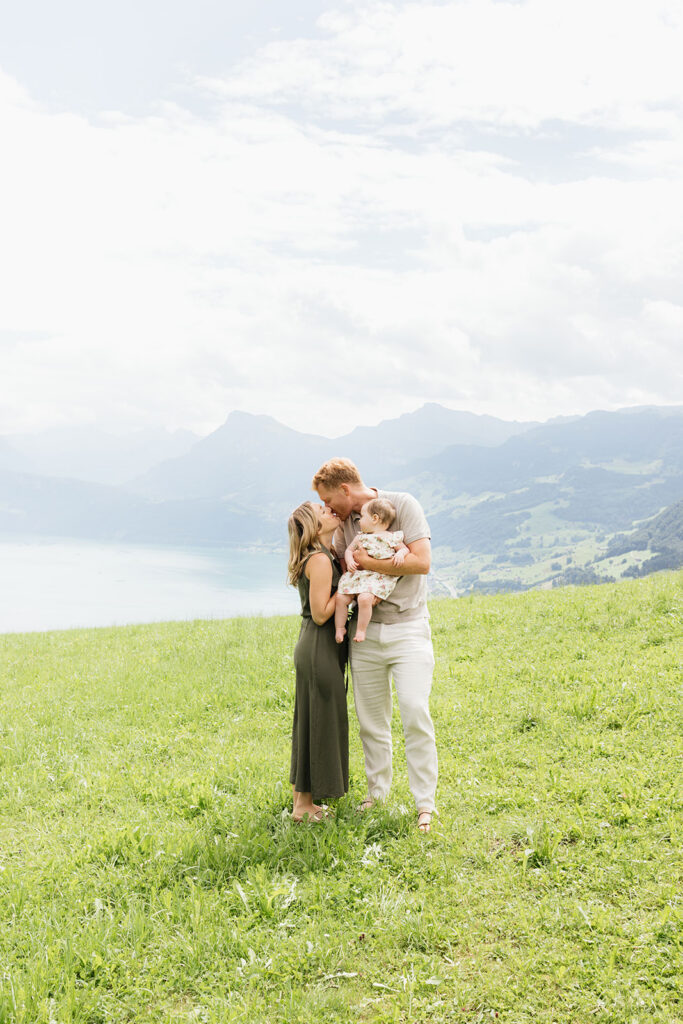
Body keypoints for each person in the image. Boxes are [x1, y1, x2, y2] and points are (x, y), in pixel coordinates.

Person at [312, 458, 438, 834]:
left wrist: (366, 561)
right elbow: (337, 567)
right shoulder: (343, 525)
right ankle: (377, 793)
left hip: (408, 628)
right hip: (363, 634)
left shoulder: (402, 505)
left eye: (329, 499)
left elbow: (422, 563)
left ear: (346, 489)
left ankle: (424, 804)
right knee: (371, 722)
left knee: (415, 711)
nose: (328, 508)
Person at [287, 501, 349, 823]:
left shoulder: (319, 556)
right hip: (318, 645)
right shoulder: (321, 561)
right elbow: (323, 613)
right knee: (318, 720)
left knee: (310, 719)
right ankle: (304, 807)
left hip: (312, 644)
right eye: (322, 511)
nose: (330, 510)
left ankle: (302, 803)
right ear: (314, 524)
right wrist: (347, 591)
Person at [334, 497, 410, 644]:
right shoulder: (361, 537)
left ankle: (361, 630)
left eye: (362, 517)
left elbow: (404, 549)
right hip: (359, 575)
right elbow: (349, 551)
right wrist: (349, 560)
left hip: (377, 577)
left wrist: (400, 554)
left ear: (375, 518)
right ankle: (340, 627)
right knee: (341, 598)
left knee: (364, 598)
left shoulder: (391, 537)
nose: (359, 521)